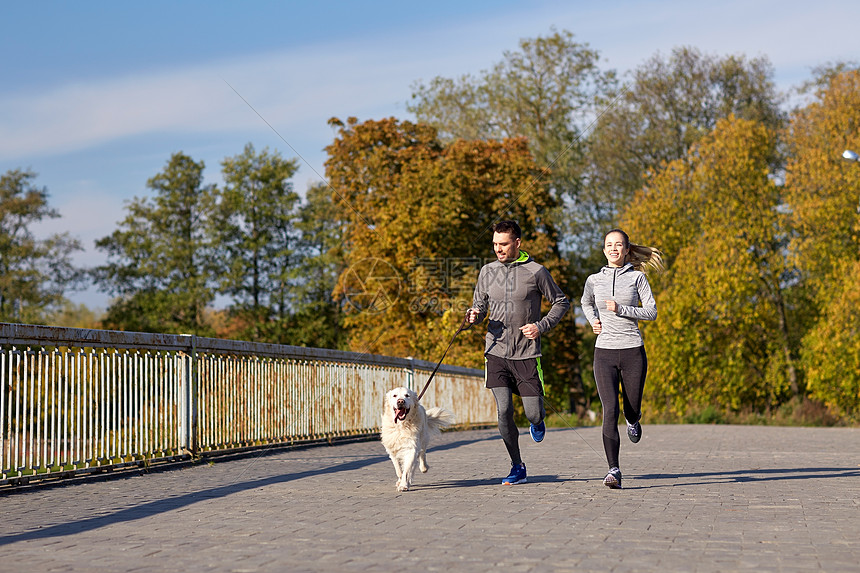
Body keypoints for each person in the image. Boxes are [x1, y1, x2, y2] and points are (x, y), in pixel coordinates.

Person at [467, 220, 570, 485]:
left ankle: (537, 420)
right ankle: (517, 465)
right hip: (496, 349)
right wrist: (475, 315)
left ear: (517, 243)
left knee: (533, 413)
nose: (498, 250)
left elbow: (561, 302)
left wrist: (541, 325)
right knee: (503, 412)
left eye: (503, 244)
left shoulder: (536, 272)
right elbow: (478, 306)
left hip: (526, 352)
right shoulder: (487, 272)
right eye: (494, 244)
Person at [580, 228, 662, 489]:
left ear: (627, 250)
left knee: (631, 406)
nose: (614, 248)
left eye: (619, 245)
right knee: (609, 410)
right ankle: (613, 470)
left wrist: (622, 309)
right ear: (604, 250)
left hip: (632, 350)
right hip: (604, 352)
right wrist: (593, 320)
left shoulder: (637, 278)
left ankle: (633, 418)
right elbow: (585, 302)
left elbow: (651, 312)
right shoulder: (594, 280)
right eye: (609, 245)